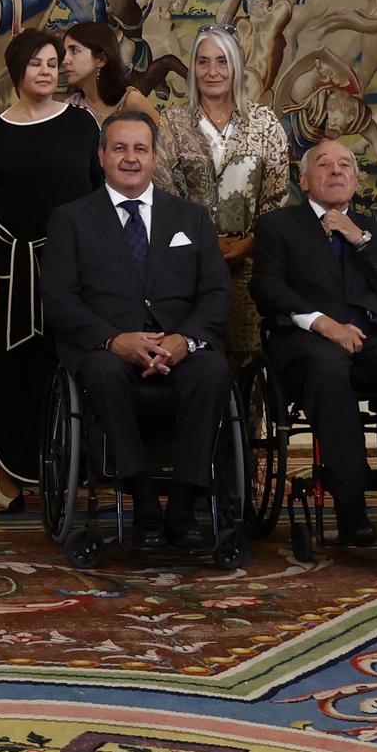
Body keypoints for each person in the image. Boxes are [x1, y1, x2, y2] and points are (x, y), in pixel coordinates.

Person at [43, 109, 232, 551]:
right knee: (104, 372)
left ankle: (182, 505)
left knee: (213, 371)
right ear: (102, 156)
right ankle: (144, 503)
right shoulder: (71, 219)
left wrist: (184, 340)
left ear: (153, 157)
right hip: (107, 349)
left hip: (181, 346)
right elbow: (59, 298)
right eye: (120, 148)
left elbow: (217, 294)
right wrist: (113, 340)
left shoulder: (191, 217)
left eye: (140, 149)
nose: (131, 158)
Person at [251, 139, 377, 548]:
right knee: (328, 371)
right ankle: (350, 507)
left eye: (345, 165)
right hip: (307, 338)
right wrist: (323, 323)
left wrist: (360, 241)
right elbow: (267, 288)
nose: (336, 171)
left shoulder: (376, 234)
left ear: (356, 182)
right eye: (324, 164)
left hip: (371, 338)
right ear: (306, 181)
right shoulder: (277, 226)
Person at [0, 27, 100, 505]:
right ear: (16, 70)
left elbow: (102, 198)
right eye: (35, 63)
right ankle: (9, 472)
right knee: (6, 375)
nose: (45, 71)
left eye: (52, 63)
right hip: (7, 276)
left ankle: (67, 469)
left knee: (65, 371)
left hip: (70, 272)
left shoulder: (83, 125)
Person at [155, 26, 292, 362]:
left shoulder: (264, 123)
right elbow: (162, 193)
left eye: (222, 61)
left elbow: (276, 196)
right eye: (203, 62)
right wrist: (203, 241)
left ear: (236, 66)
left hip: (251, 265)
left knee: (248, 361)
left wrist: (253, 241)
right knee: (197, 359)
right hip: (188, 266)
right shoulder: (172, 123)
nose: (212, 71)